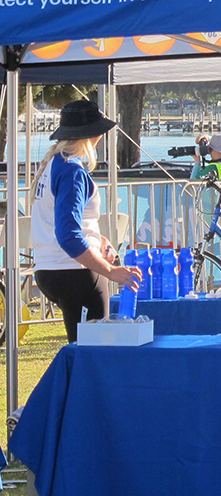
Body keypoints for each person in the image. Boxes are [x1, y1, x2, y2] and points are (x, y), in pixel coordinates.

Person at [29, 100, 142, 342]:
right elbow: (68, 236)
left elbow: (63, 223)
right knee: (93, 349)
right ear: (92, 134)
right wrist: (110, 271)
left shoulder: (53, 164)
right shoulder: (72, 171)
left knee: (84, 347)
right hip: (74, 272)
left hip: (49, 268)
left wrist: (98, 240)